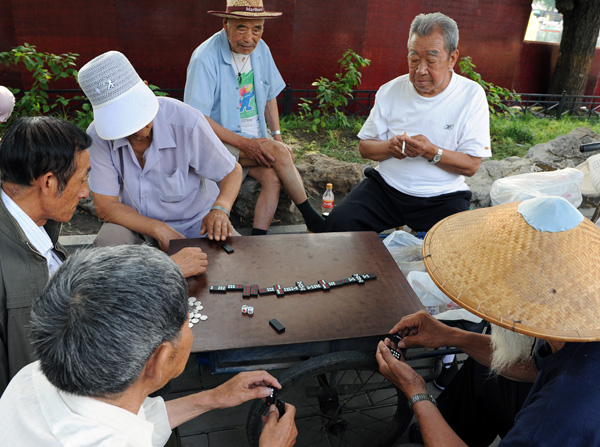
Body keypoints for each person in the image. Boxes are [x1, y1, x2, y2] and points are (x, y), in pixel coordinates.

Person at [0, 245, 298, 447]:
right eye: (186, 321)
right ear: (159, 359)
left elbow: (131, 416)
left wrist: (215, 397)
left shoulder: (32, 376)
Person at [0, 117, 207, 397]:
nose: (85, 192)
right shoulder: (12, 270)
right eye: (83, 178)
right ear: (48, 182)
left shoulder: (31, 226)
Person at [376, 196, 600, 446]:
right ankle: (439, 431)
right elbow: (535, 368)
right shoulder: (577, 327)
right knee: (484, 369)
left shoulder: (555, 416)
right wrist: (452, 336)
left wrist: (416, 392)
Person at [318, 12, 491, 234]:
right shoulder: (390, 90)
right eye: (414, 60)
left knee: (456, 250)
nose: (420, 70)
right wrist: (390, 147)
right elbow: (365, 147)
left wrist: (431, 151)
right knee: (337, 225)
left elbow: (471, 165)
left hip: (443, 196)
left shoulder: (470, 95)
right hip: (386, 188)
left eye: (431, 60)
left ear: (452, 58)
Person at [78, 50, 243, 254]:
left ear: (146, 88)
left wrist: (220, 209)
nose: (138, 129)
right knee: (108, 243)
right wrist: (158, 229)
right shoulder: (97, 136)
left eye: (138, 113)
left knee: (238, 261)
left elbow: (231, 171)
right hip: (136, 226)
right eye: (124, 122)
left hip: (197, 224)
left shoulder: (186, 121)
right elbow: (106, 206)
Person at [184, 0, 324, 234]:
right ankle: (312, 218)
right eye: (241, 28)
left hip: (254, 138)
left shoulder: (261, 49)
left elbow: (269, 95)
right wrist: (246, 145)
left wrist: (276, 136)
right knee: (279, 154)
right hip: (216, 142)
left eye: (256, 28)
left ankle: (259, 238)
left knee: (273, 177)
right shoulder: (204, 57)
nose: (249, 37)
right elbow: (198, 118)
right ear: (226, 24)